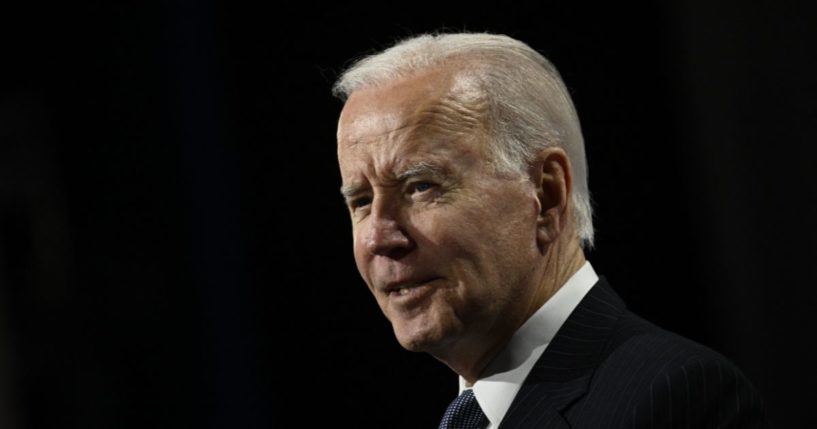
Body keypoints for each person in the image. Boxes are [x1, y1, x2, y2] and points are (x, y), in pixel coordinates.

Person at [332, 32, 766, 428]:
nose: (379, 238)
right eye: (362, 202)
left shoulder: (671, 397)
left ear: (546, 193)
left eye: (421, 187)